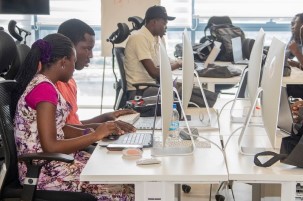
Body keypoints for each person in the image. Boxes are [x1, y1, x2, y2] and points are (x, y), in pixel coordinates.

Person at [14, 33, 134, 200]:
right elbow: (50, 146)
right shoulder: (44, 89)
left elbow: (60, 128)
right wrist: (95, 135)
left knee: (118, 174)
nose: (74, 65)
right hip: (44, 171)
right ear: (63, 62)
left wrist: (95, 129)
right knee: (124, 190)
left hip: (51, 163)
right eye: (73, 60)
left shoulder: (45, 84)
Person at [56, 19, 136, 132]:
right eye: (87, 48)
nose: (91, 55)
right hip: (69, 147)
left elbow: (74, 124)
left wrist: (106, 117)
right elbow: (61, 132)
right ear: (68, 47)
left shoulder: (70, 81)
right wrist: (99, 131)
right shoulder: (51, 84)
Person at [124, 5, 182, 100]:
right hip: (140, 91)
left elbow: (163, 62)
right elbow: (154, 72)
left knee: (186, 90)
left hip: (152, 86)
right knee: (177, 98)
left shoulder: (155, 38)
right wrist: (178, 65)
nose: (165, 27)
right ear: (154, 22)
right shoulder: (139, 38)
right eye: (164, 23)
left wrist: (179, 61)